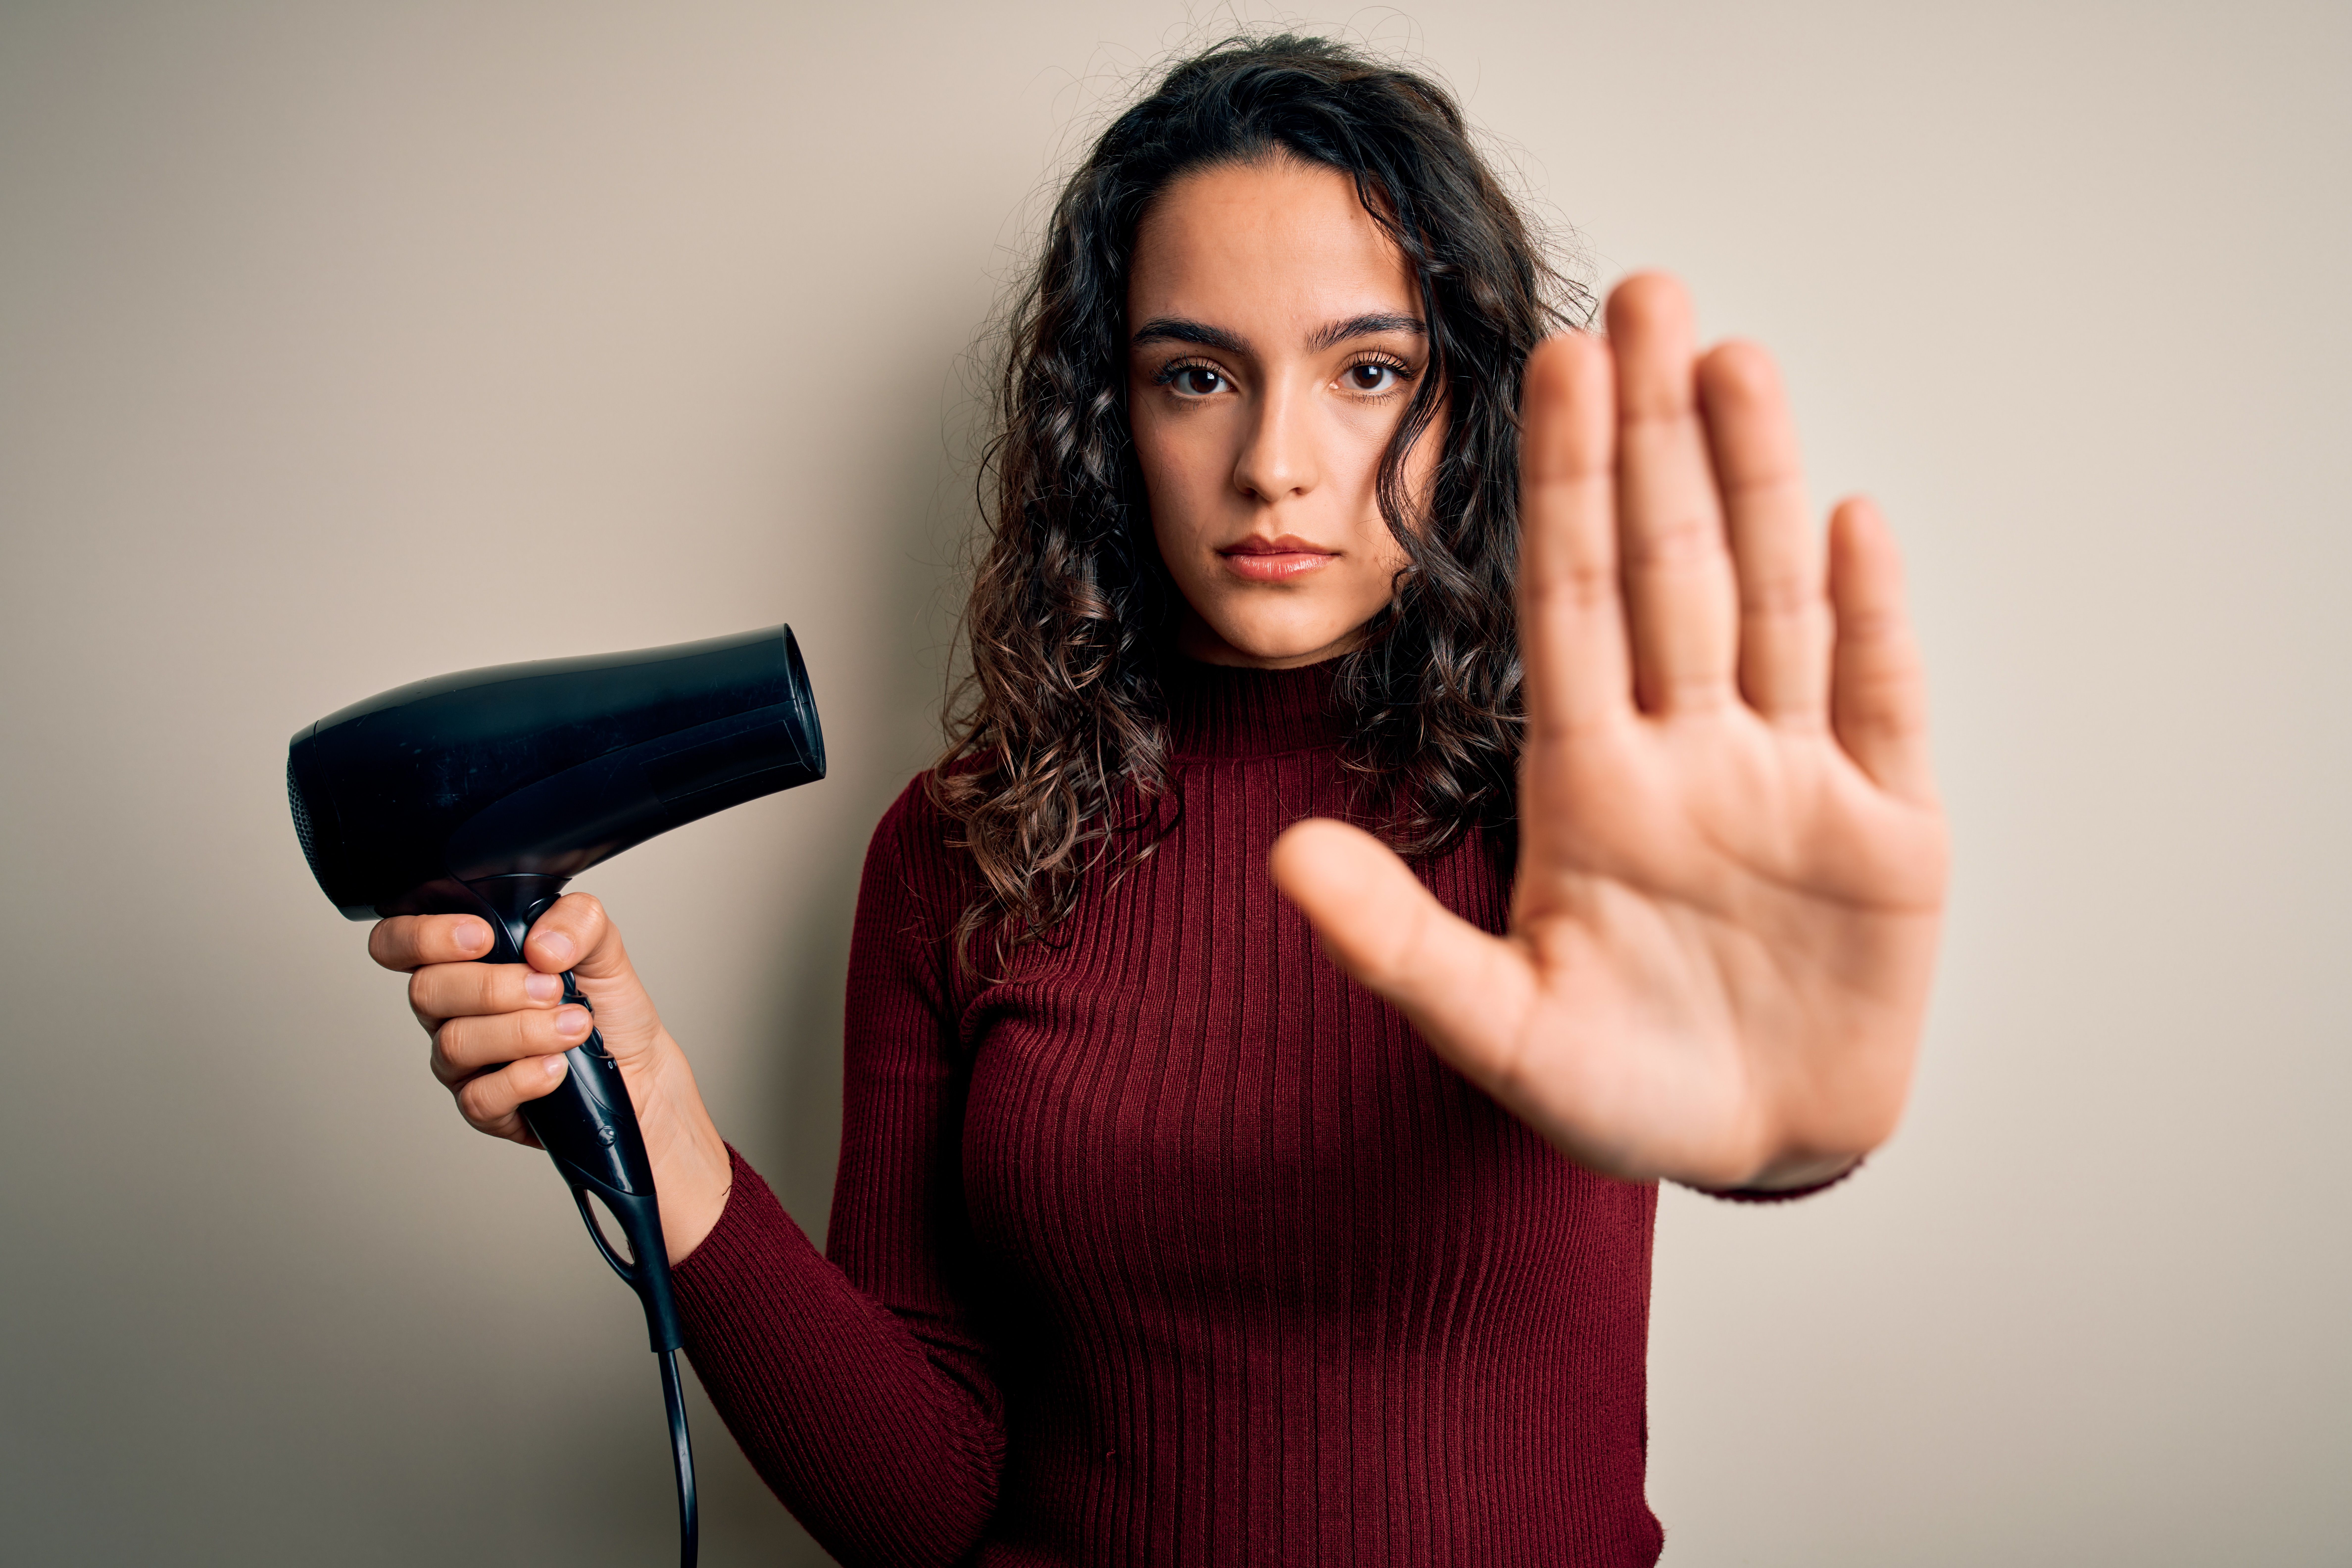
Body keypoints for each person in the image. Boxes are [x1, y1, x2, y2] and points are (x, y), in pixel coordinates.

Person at [368, 34, 1945, 1568]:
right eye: (1197, 374)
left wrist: (1790, 1135)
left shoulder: (1589, 807)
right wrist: (656, 1129)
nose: (1275, 463)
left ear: (1462, 408)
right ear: (1109, 422)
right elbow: (922, 1510)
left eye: (1369, 372)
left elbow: (1742, 1104)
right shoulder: (959, 850)